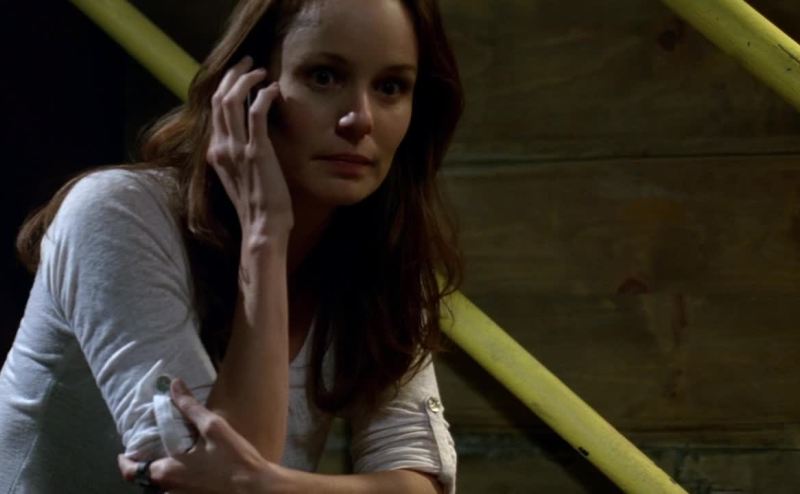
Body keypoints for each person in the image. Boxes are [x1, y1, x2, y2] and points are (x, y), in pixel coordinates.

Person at [0, 0, 463, 492]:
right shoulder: (115, 214)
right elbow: (207, 484)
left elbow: (421, 482)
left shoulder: (380, 252)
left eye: (390, 87)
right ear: (243, 90)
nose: (360, 119)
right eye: (324, 77)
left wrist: (275, 487)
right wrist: (266, 235)